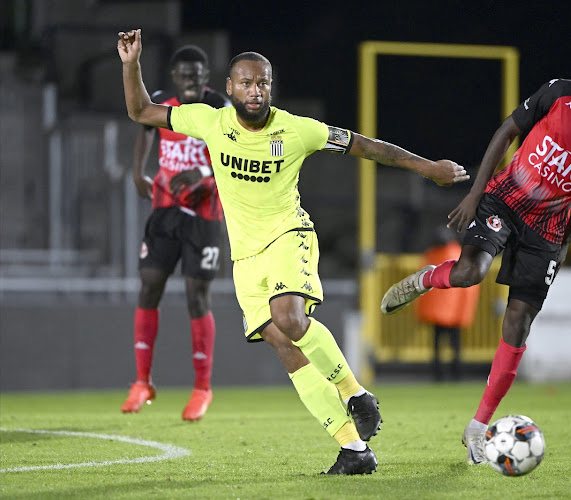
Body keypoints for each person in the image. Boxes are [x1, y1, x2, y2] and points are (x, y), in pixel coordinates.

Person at [117, 29, 468, 474]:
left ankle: (356, 394)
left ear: (271, 87)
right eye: (245, 82)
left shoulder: (298, 129)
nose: (255, 90)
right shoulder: (208, 121)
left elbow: (367, 146)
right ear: (229, 89)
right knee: (283, 343)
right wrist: (131, 64)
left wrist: (428, 168)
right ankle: (354, 450)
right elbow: (140, 111)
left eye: (262, 82)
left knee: (289, 318)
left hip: (288, 235)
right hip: (244, 256)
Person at [381, 42, 571, 464]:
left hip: (549, 228)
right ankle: (425, 279)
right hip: (506, 199)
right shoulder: (559, 93)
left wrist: (569, 235)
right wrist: (475, 193)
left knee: (519, 323)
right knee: (469, 274)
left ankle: (477, 428)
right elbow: (507, 131)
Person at [120, 44, 230, 421]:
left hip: (205, 214)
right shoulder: (164, 106)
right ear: (174, 77)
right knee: (149, 283)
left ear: (206, 78)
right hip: (166, 210)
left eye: (197, 76)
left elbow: (239, 156)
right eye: (184, 75)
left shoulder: (221, 109)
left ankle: (202, 388)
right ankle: (142, 381)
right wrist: (138, 171)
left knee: (196, 295)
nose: (190, 82)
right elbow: (146, 128)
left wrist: (203, 175)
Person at [415, 227, 480, 381]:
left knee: (438, 345)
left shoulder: (431, 255)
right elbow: (468, 288)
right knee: (454, 345)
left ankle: (438, 374)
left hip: (437, 313)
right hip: (455, 312)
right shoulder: (458, 254)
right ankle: (456, 374)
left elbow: (421, 283)